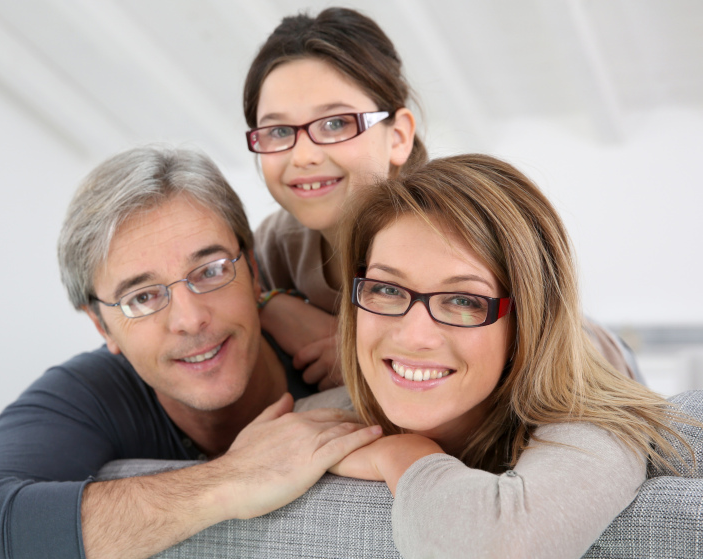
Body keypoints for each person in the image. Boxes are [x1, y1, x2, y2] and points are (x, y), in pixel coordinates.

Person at [0, 145, 381, 559]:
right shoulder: (92, 391)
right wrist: (231, 479)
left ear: (254, 273)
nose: (189, 318)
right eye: (141, 297)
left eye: (211, 271)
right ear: (102, 327)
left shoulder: (341, 349)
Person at [328, 154, 694, 559]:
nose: (413, 336)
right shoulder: (325, 413)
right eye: (385, 288)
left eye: (463, 299)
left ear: (525, 322)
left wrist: (405, 454)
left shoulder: (596, 420)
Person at [242, 7, 638, 391]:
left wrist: (357, 353)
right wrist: (271, 304)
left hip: (594, 368)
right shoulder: (280, 241)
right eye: (277, 131)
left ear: (398, 137)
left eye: (335, 123)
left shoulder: (450, 224)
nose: (303, 155)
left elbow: (553, 356)